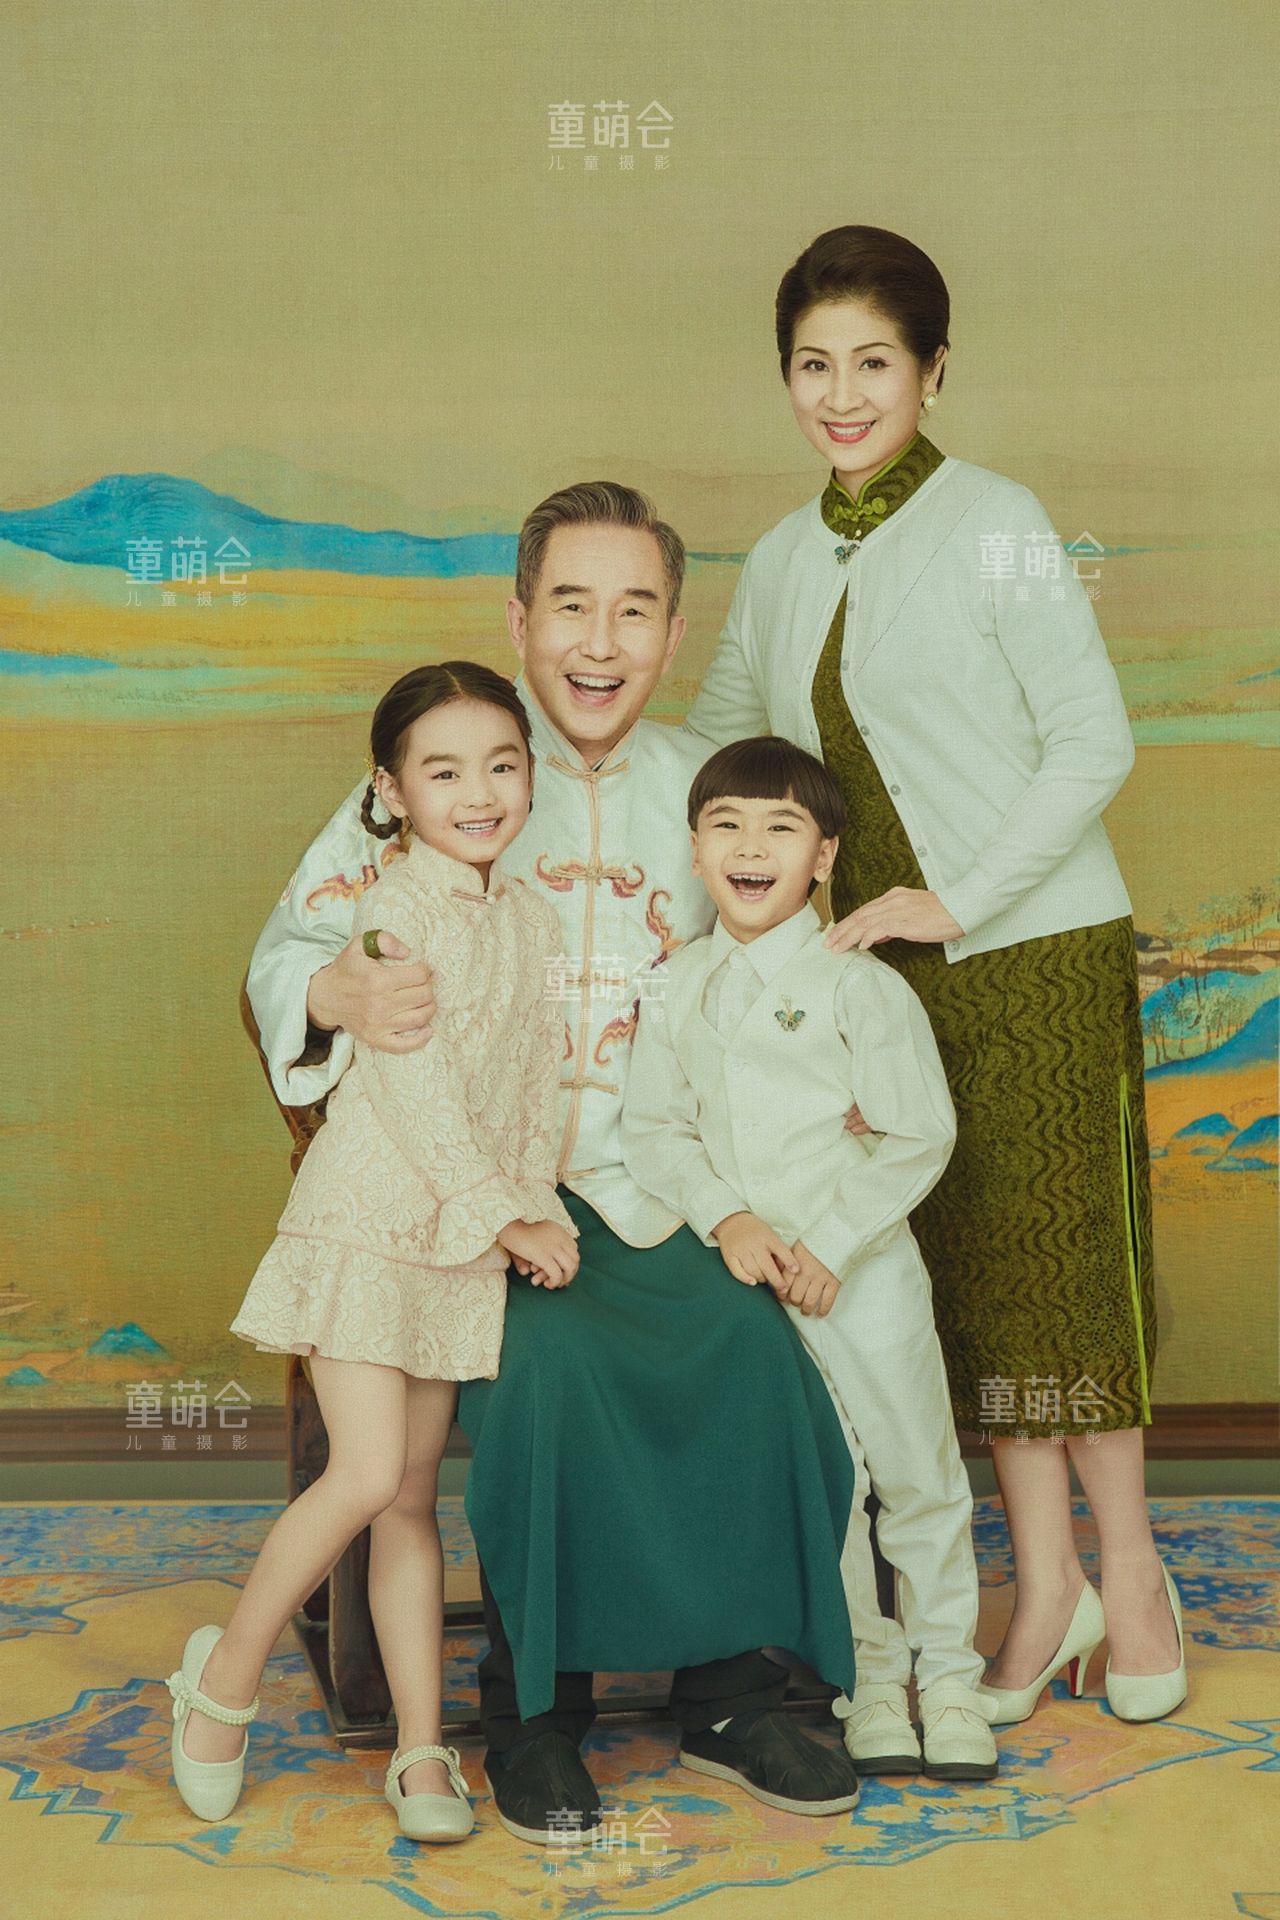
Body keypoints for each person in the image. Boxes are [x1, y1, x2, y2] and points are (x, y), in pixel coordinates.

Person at [244, 481, 863, 1845]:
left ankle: (732, 1689)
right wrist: (332, 991)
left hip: (671, 1176)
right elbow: (289, 953)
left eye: (633, 611)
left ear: (672, 633)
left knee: (752, 1352)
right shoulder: (450, 768)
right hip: (481, 1190)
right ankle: (536, 1710)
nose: (598, 642)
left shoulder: (715, 786)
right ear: (518, 619)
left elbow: (797, 963)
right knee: (553, 1375)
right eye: (570, 606)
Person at [682, 224, 1185, 1729]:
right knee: (966, 1279)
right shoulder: (783, 559)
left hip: (1030, 952)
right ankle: (1047, 1585)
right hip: (881, 983)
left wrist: (954, 897)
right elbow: (716, 745)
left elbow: (1094, 742)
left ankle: (1132, 1579)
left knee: (1063, 1278)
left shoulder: (999, 522)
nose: (840, 396)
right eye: (812, 366)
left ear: (933, 371)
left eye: (873, 364)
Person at [166, 662, 581, 1843]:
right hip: (366, 1224)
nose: (478, 793)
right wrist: (503, 1215)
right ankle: (222, 1681)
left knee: (408, 1497)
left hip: (452, 1246)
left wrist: (531, 1202)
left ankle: (418, 1750)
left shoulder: (529, 916)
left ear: (531, 774)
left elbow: (528, 1083)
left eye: (501, 765)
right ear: (392, 792)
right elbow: (414, 1089)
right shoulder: (393, 911)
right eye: (443, 772)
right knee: (360, 1475)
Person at [619, 734, 998, 1781]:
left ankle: (949, 1679)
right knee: (830, 1485)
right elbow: (655, 1131)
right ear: (695, 848)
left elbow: (919, 1132)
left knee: (916, 1475)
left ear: (823, 856)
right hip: (756, 1283)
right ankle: (868, 1680)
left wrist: (832, 1244)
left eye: (780, 828)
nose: (750, 848)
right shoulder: (675, 983)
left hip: (862, 1274)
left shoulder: (857, 987)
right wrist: (726, 1220)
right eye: (726, 827)